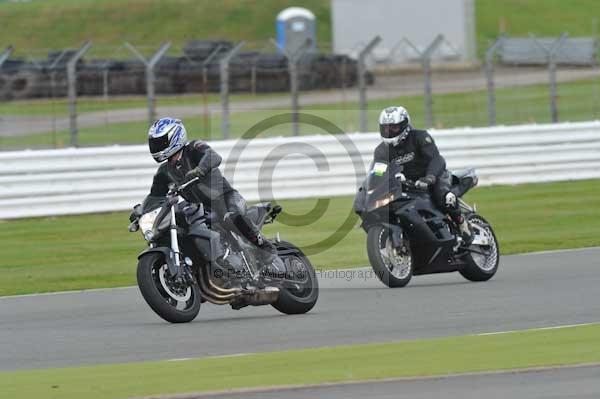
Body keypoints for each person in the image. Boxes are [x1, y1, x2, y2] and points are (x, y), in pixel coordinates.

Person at [142, 117, 277, 264]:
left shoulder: (194, 148)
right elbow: (154, 196)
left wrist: (200, 169)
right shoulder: (165, 171)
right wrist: (141, 211)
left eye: (161, 142)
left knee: (231, 217)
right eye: (154, 143)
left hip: (225, 199)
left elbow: (213, 156)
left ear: (175, 137)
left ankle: (265, 247)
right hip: (202, 210)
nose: (156, 147)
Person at [373, 106, 471, 243]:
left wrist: (430, 177)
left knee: (444, 198)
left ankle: (461, 222)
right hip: (407, 184)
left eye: (393, 128)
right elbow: (377, 172)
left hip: (434, 177)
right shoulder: (381, 151)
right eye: (386, 128)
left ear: (404, 125)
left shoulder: (420, 137)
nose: (389, 131)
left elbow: (436, 159)